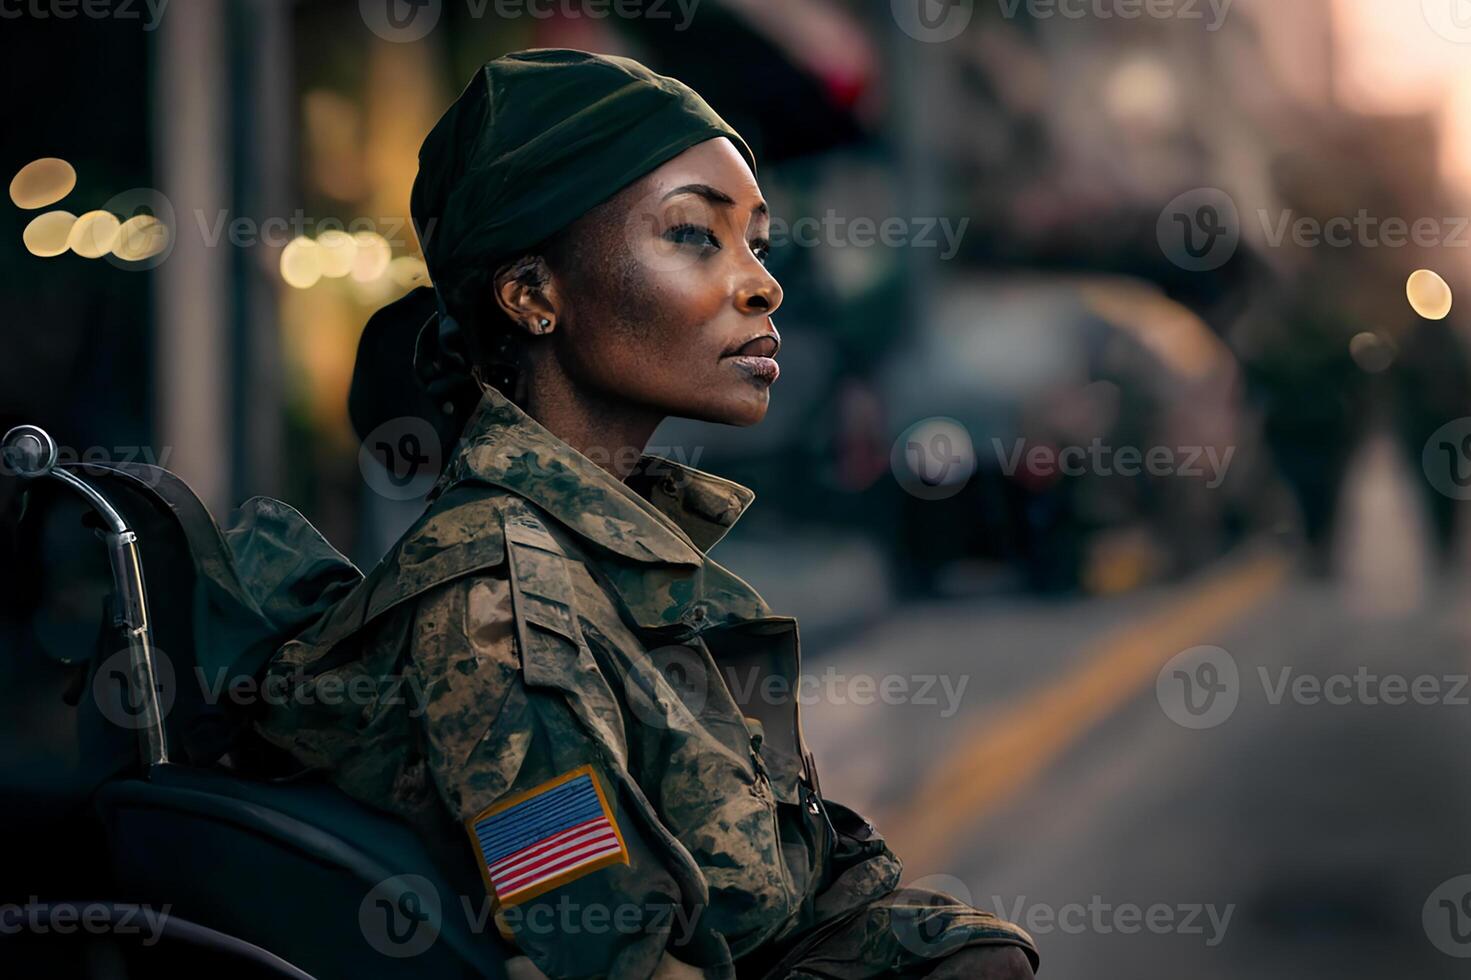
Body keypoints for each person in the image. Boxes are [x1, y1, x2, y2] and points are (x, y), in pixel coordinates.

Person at [254, 49, 1038, 979]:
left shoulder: (603, 553)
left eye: (755, 240)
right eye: (695, 237)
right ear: (533, 293)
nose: (760, 283)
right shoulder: (497, 604)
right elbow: (609, 954)